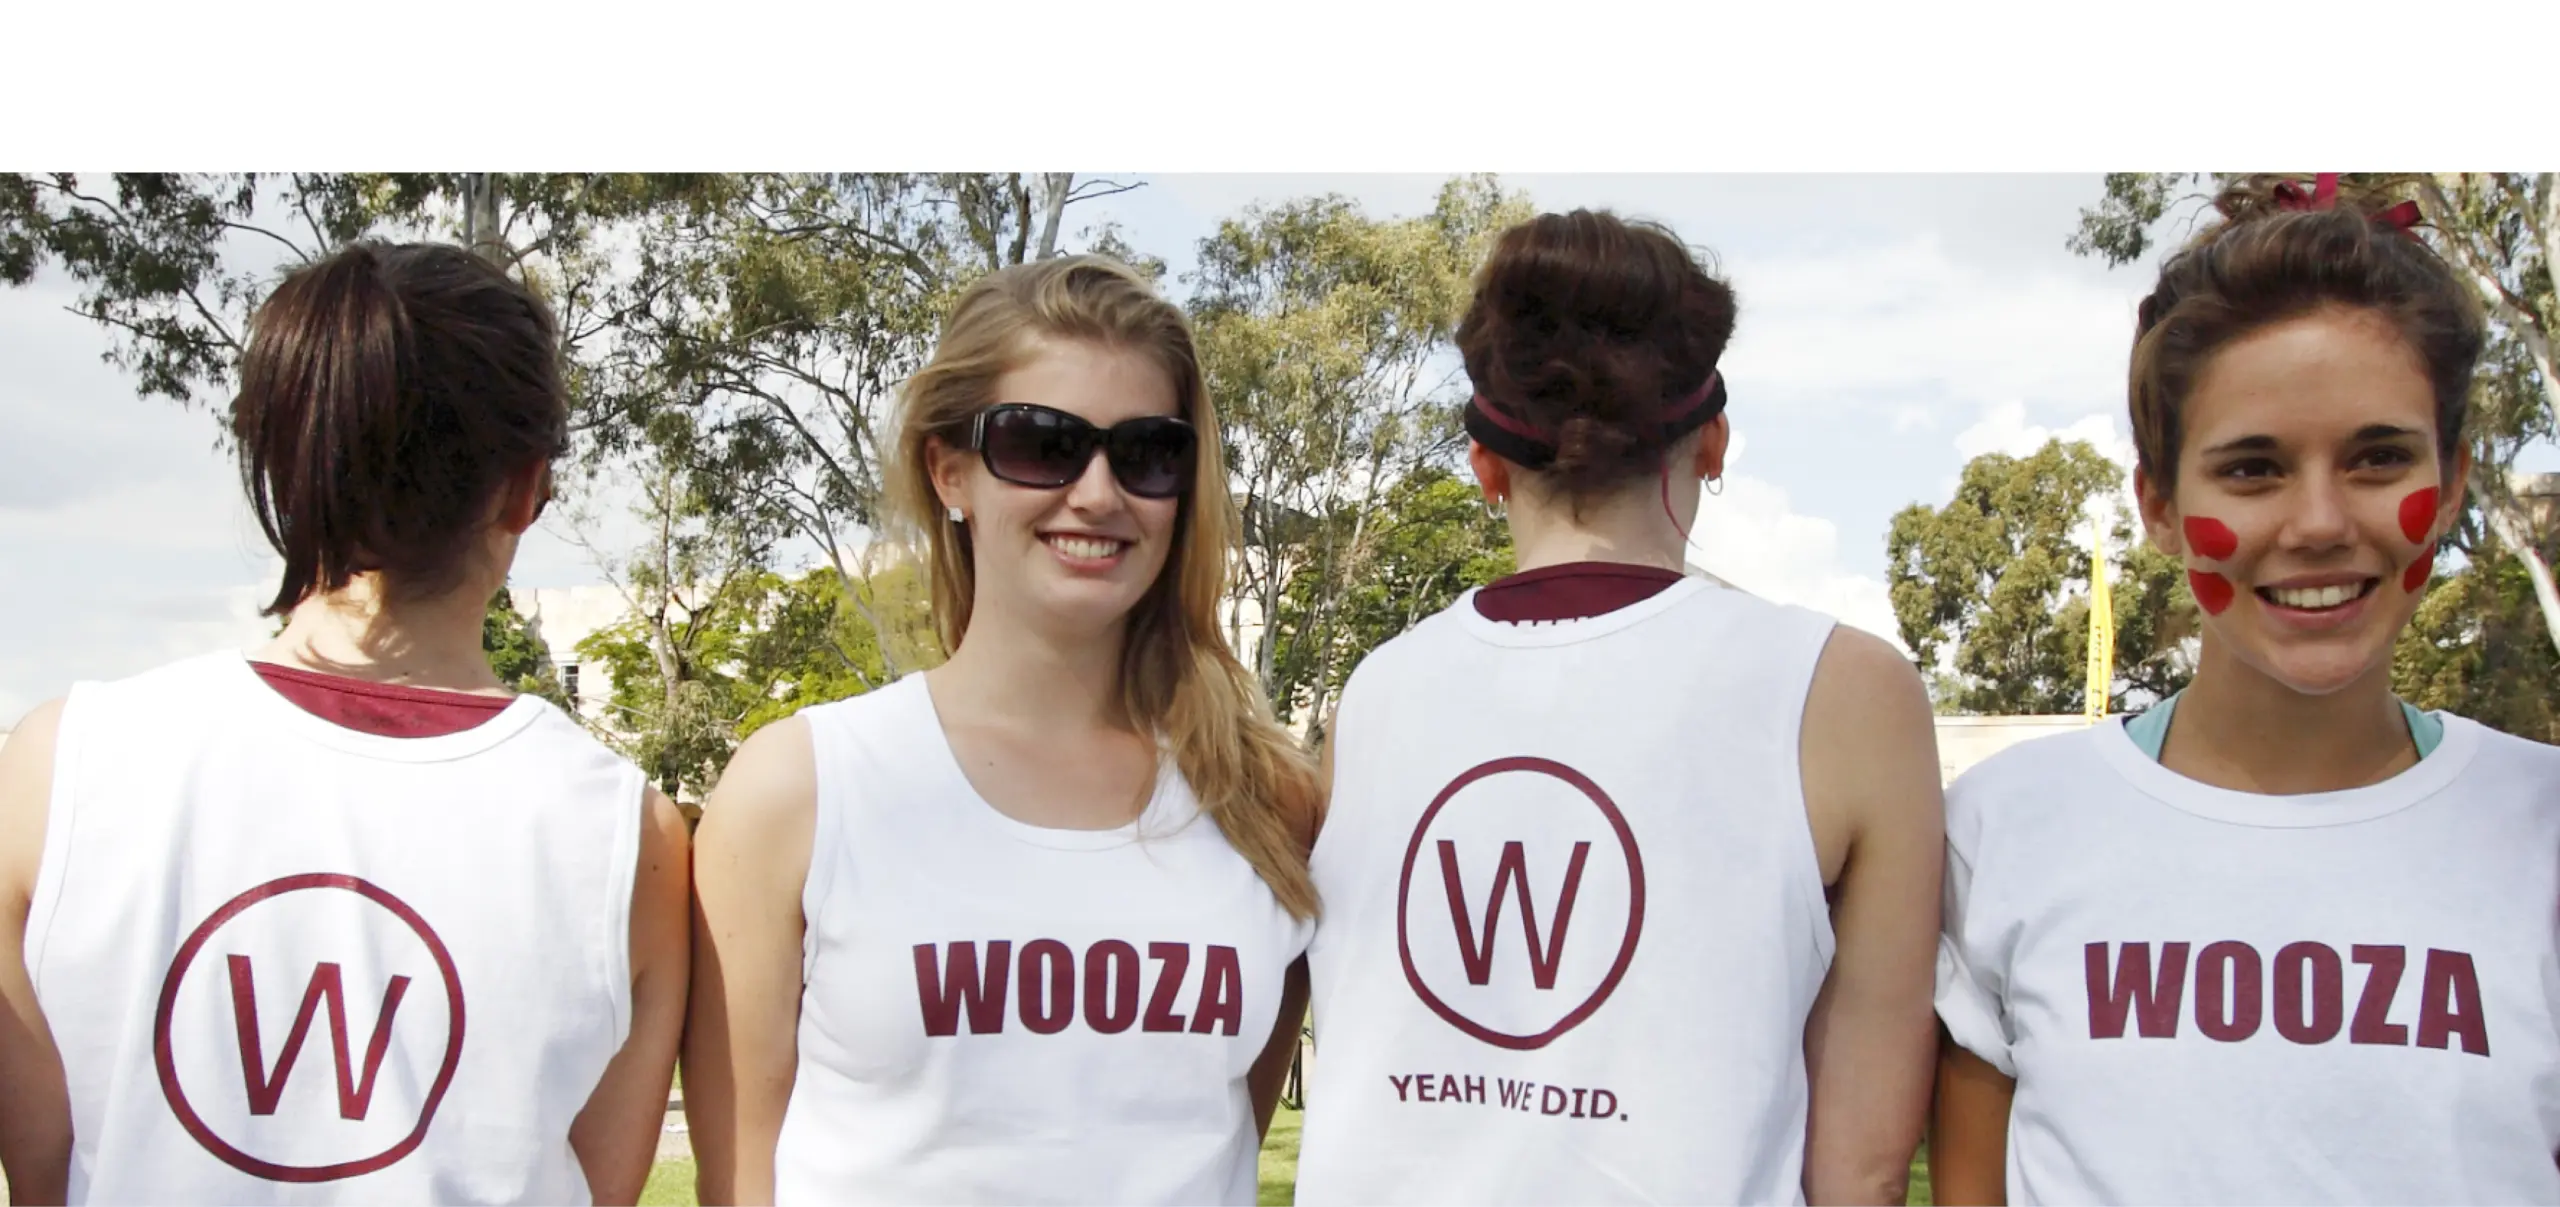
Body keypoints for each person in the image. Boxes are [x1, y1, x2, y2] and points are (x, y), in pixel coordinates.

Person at [0, 241, 691, 1204]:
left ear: (285, 461)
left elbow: (43, 1175)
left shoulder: (57, 772)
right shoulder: (632, 842)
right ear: (525, 487)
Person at [1291, 209, 1946, 1205]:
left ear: (1484, 467)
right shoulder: (1845, 690)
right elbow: (1861, 1163)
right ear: (1713, 443)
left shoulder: (1374, 692)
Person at [1930, 175, 2560, 1204]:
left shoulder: (2544, 829)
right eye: (2253, 469)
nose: (2316, 522)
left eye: (2376, 457)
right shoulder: (2003, 829)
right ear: (2160, 505)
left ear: (2447, 485)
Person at [683, 254, 1318, 1205]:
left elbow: (1224, 1140)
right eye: (1042, 443)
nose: (1098, 493)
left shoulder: (1266, 804)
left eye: (1147, 451)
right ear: (950, 471)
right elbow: (739, 1182)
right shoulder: (800, 789)